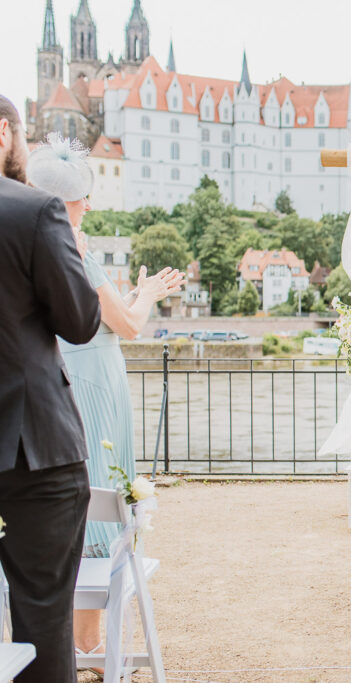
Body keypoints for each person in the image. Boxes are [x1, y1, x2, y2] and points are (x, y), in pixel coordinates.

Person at [26, 133, 184, 664]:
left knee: (90, 499)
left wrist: (136, 293)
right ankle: (88, 646)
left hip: (82, 382)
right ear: (63, 203)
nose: (89, 204)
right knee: (95, 510)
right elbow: (129, 325)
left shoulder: (51, 251)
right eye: (81, 198)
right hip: (92, 393)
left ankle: (80, 643)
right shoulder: (78, 258)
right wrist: (149, 295)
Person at [0, 95, 101, 681]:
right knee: (42, 617)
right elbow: (80, 323)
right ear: (4, 131)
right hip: (32, 449)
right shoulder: (35, 211)